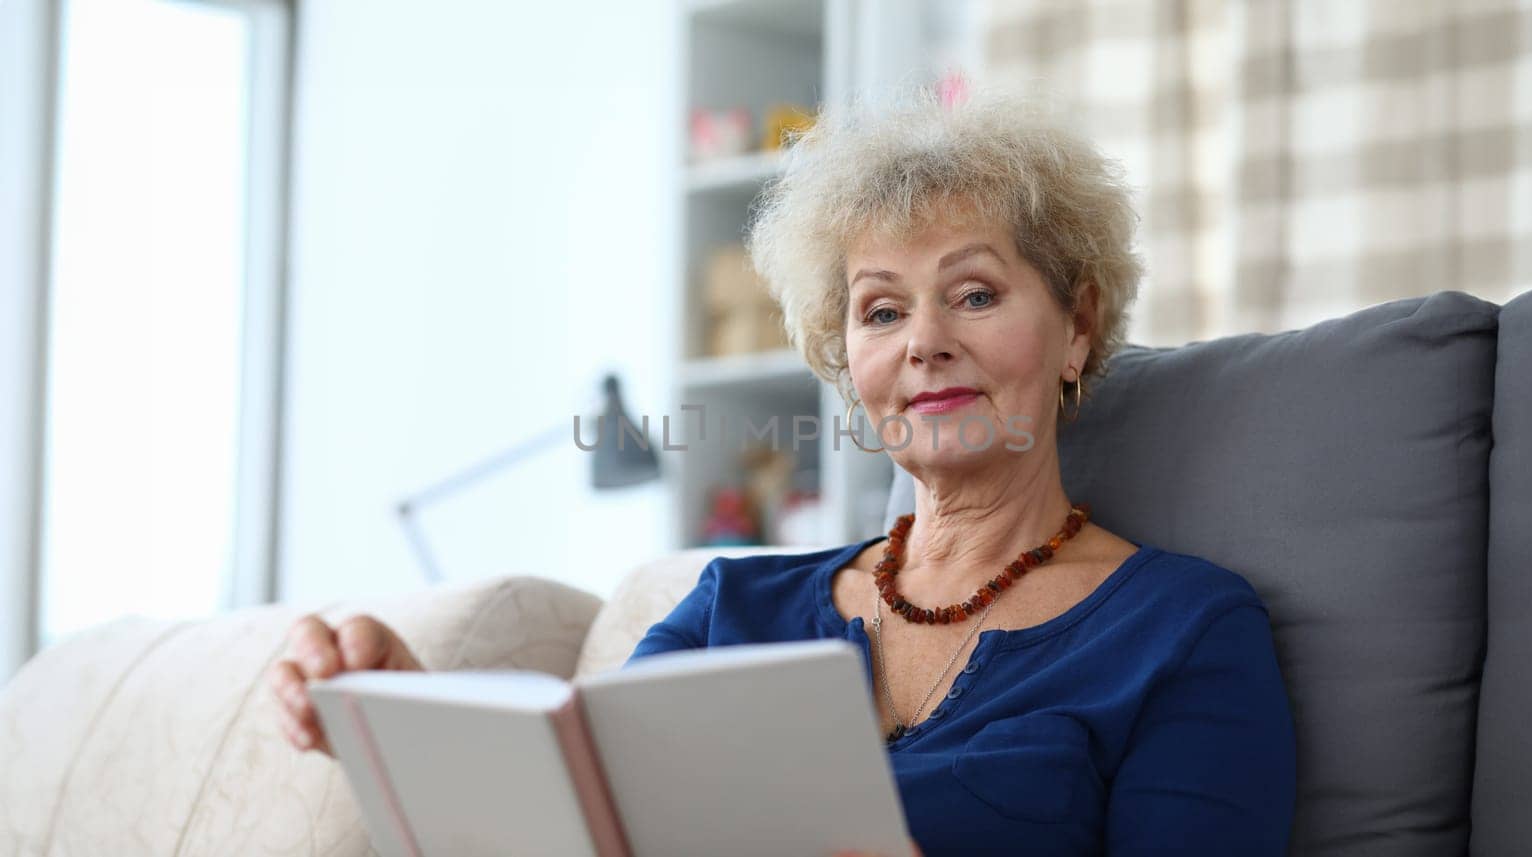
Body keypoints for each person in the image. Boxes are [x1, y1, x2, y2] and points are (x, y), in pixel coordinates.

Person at [268, 84, 1296, 857]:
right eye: (882, 310)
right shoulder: (730, 608)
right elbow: (582, 824)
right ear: (846, 358)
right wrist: (416, 723)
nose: (923, 341)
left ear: (1076, 327)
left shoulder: (1182, 627)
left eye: (974, 292)